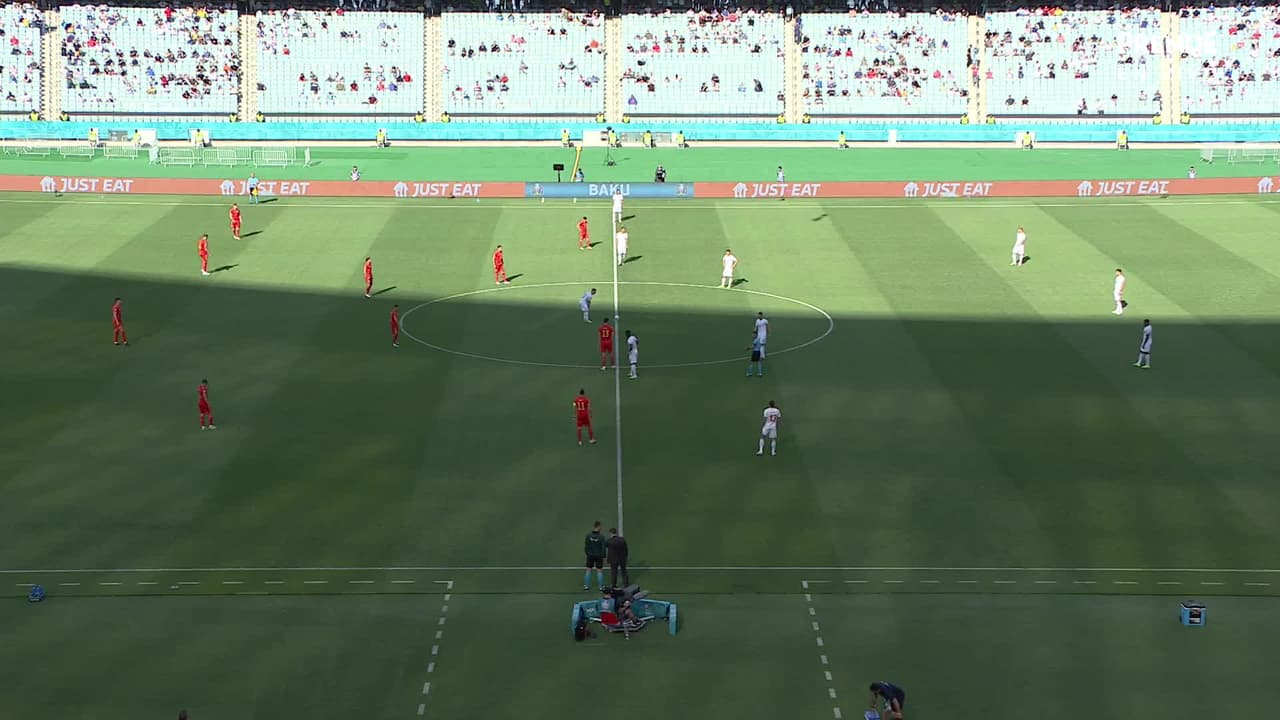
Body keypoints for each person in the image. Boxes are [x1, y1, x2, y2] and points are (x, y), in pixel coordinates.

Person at [583, 520, 607, 590]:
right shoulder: (601, 537)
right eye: (600, 526)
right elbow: (603, 548)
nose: (601, 528)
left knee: (588, 570)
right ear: (598, 526)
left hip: (590, 555)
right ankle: (601, 587)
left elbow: (586, 546)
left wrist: (587, 553)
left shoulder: (588, 535)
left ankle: (586, 586)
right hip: (599, 556)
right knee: (599, 571)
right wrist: (604, 556)